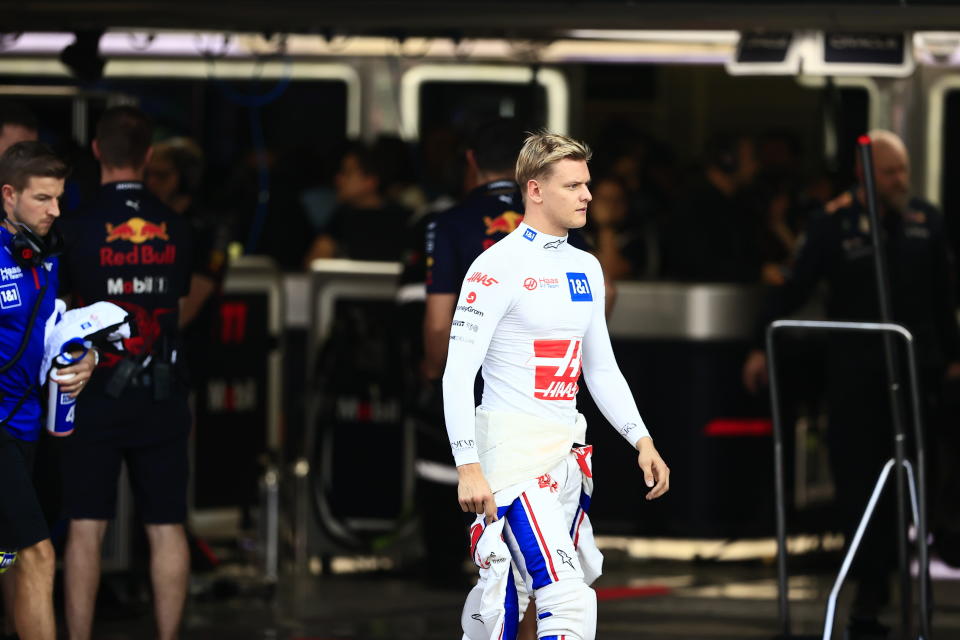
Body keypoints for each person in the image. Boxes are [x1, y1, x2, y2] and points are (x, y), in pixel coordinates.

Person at [444, 131, 670, 640]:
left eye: (586, 183)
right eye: (573, 185)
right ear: (535, 190)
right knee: (566, 596)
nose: (587, 195)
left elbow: (602, 368)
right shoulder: (493, 267)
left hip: (566, 460)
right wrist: (469, 468)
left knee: (502, 604)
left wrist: (642, 440)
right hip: (511, 461)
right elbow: (458, 373)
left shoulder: (586, 266)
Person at [743, 130, 960, 639]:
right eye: (890, 172)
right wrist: (759, 344)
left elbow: (941, 296)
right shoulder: (834, 226)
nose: (900, 181)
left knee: (919, 482)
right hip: (855, 378)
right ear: (866, 175)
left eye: (903, 170)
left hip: (915, 374)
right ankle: (868, 592)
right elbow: (793, 286)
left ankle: (917, 571)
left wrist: (953, 359)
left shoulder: (925, 221)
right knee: (860, 486)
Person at [57, 106, 194, 640]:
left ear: (96, 152)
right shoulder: (177, 225)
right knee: (166, 527)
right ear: (149, 156)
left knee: (86, 528)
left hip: (90, 390)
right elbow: (177, 299)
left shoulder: (75, 226)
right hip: (162, 392)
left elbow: (64, 307)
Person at [0, 141, 95, 640]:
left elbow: (59, 330)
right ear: (9, 195)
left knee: (10, 560)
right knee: (38, 554)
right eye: (43, 199)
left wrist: (87, 360)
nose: (55, 212)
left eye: (59, 199)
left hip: (27, 428)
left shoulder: (47, 256)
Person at [661, 134, 762, 283]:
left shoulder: (739, 203)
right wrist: (756, 273)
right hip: (701, 299)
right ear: (728, 160)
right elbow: (698, 263)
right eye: (752, 158)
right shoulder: (694, 203)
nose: (756, 166)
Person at [303, 142, 411, 264]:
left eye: (346, 173)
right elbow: (314, 263)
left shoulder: (403, 218)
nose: (338, 179)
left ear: (370, 181)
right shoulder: (341, 216)